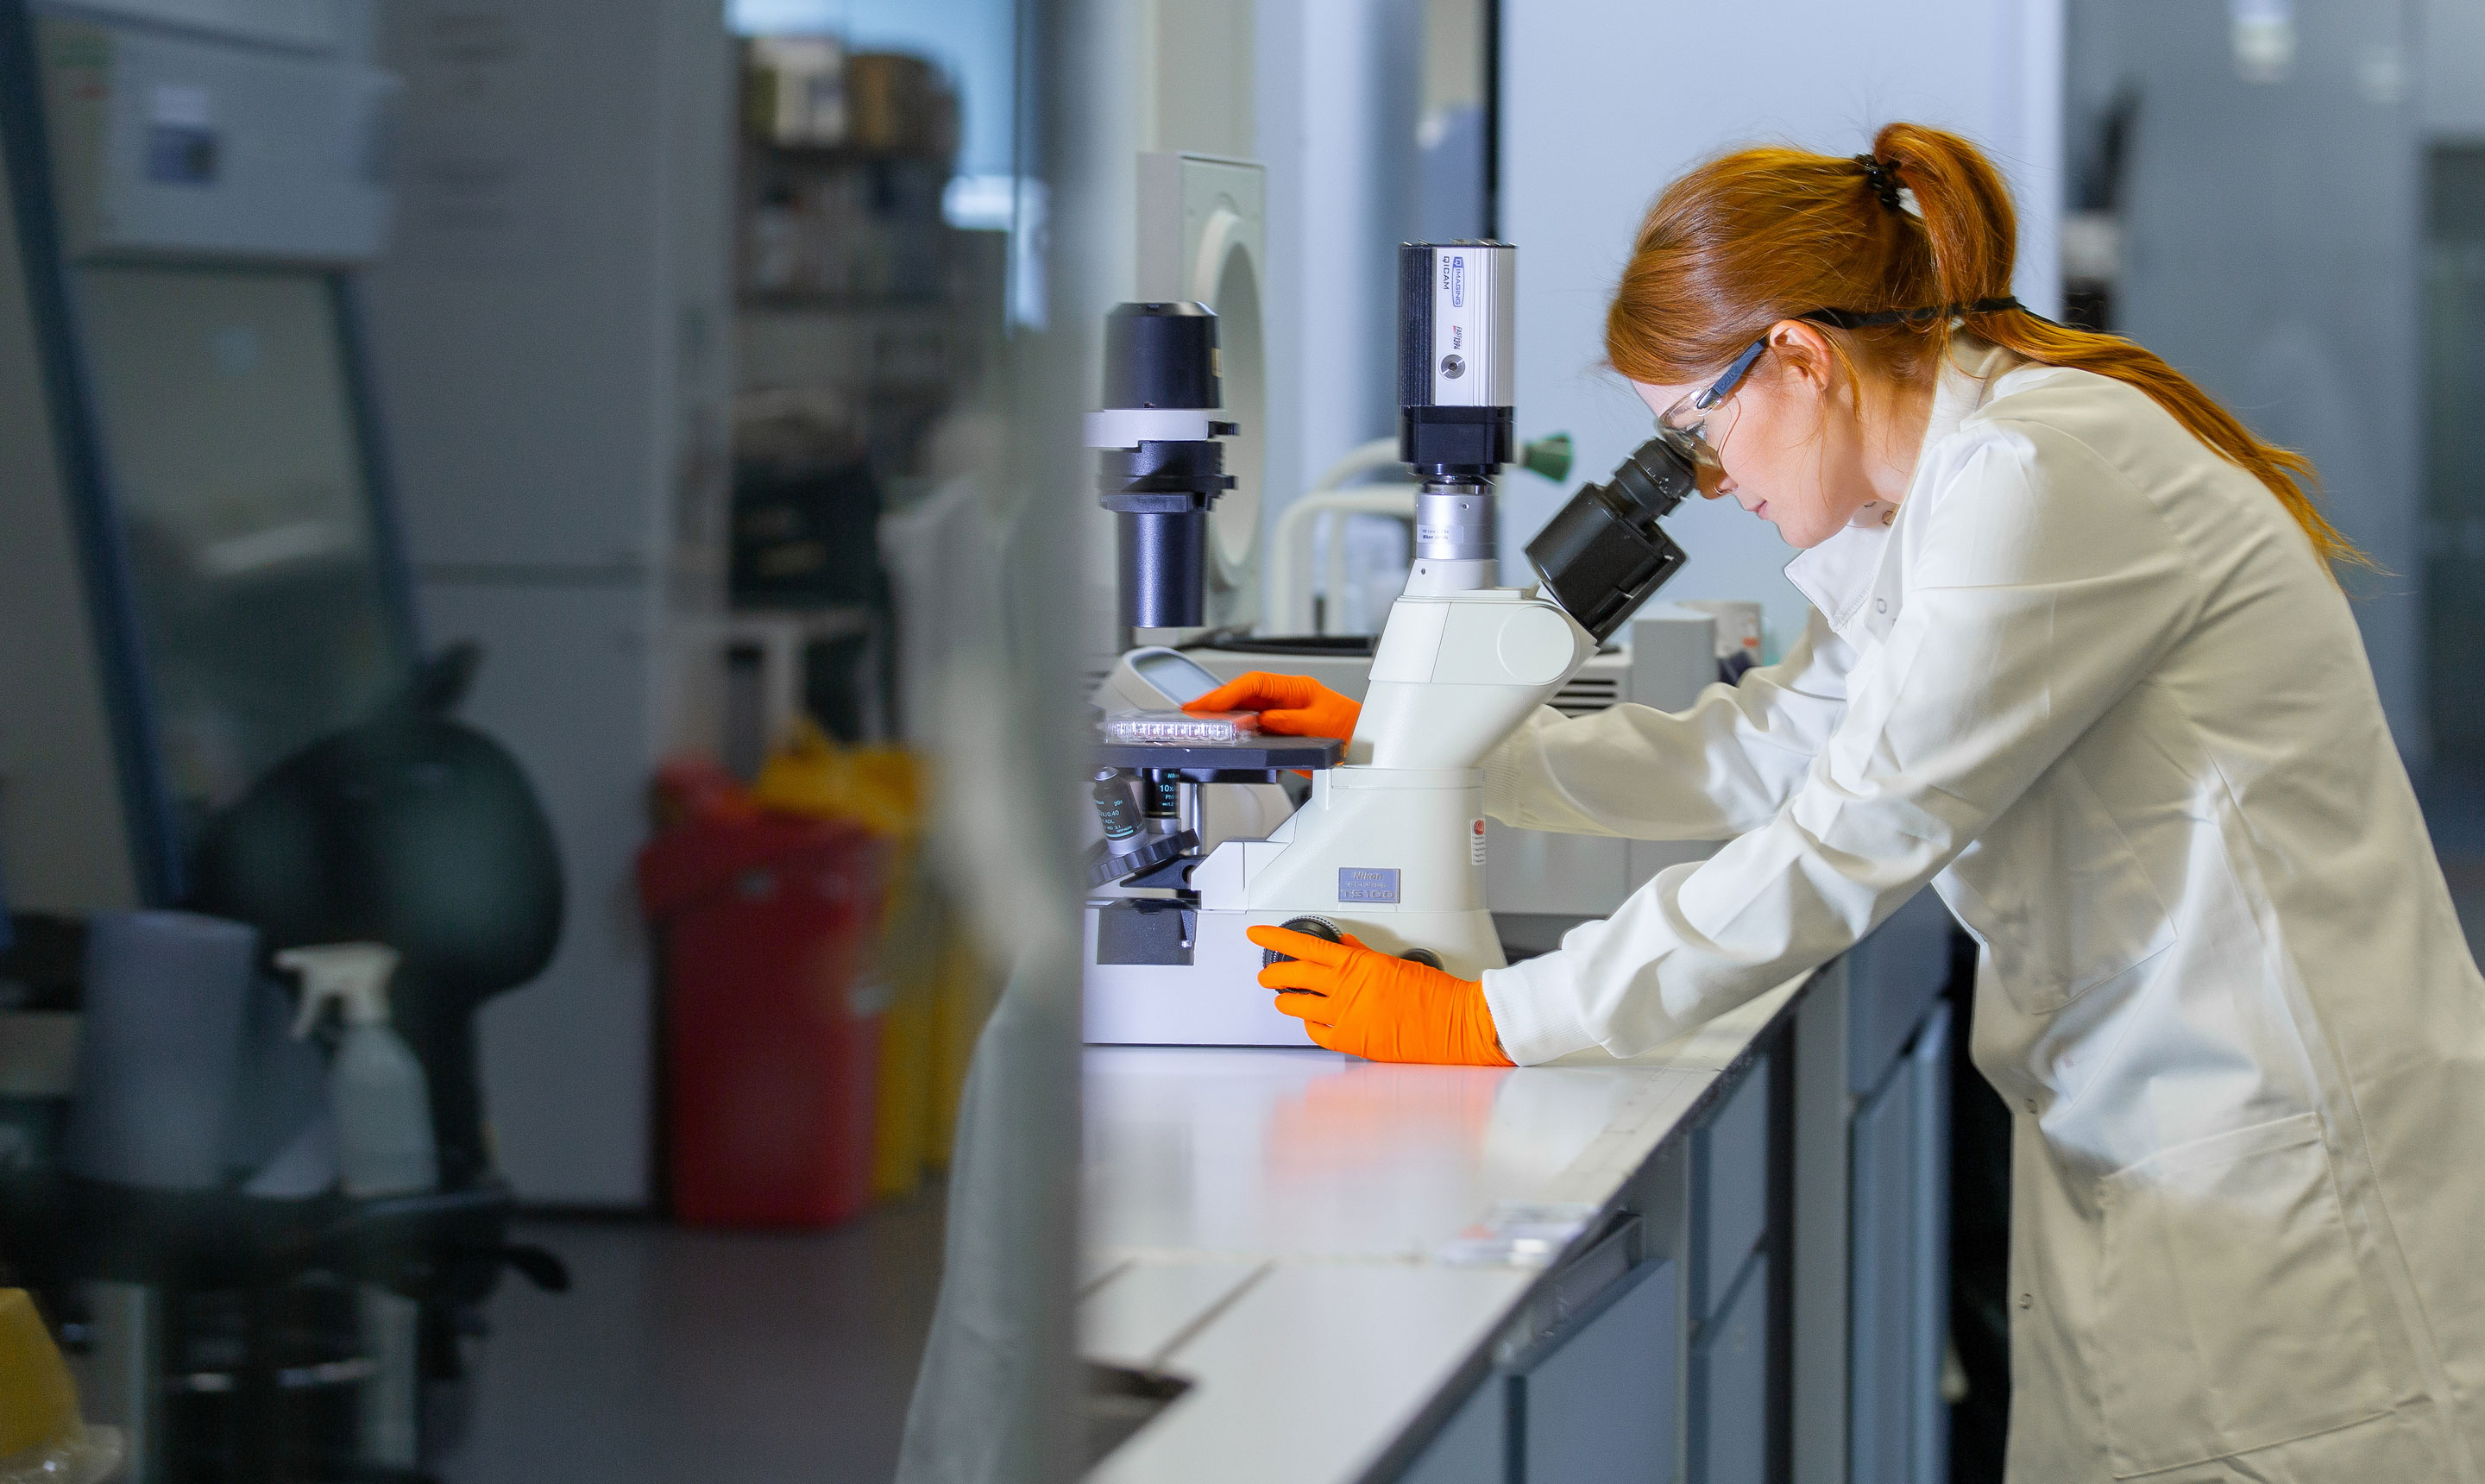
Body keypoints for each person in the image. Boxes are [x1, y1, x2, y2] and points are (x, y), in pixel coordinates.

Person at [1193, 123, 2485, 1480]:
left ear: (1799, 356)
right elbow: (1768, 753)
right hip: (2162, 1139)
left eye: (1698, 432)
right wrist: (1436, 751)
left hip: (2283, 1157)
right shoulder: (1927, 504)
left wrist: (1499, 1019)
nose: (1708, 483)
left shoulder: (2038, 477)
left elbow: (1849, 838)